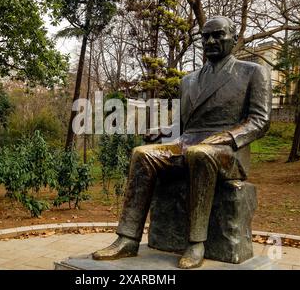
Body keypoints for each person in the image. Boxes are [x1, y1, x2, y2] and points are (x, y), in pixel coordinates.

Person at [92, 16, 272, 269]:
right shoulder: (189, 80)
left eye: (218, 35)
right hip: (188, 143)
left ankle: (196, 242)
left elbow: (260, 120)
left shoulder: (252, 72)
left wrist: (231, 136)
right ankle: (127, 239)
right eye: (205, 36)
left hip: (229, 152)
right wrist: (161, 131)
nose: (210, 41)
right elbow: (182, 124)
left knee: (200, 153)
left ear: (233, 37)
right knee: (142, 154)